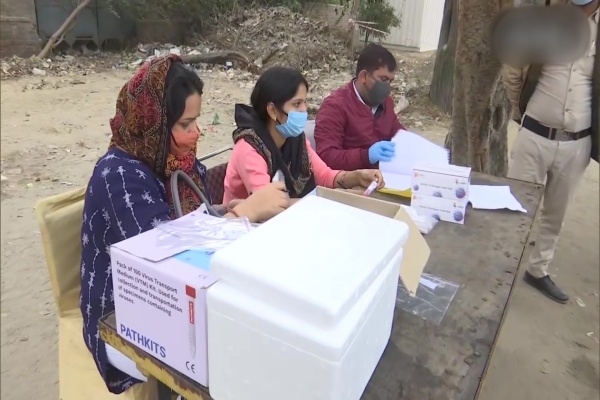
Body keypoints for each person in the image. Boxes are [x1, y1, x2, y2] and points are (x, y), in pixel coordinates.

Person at [79, 55, 289, 394]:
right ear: (153, 123)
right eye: (185, 125)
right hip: (121, 319)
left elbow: (189, 219)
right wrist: (241, 215)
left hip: (169, 302)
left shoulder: (174, 160)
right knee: (231, 361)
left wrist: (222, 212)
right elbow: (163, 260)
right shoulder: (119, 176)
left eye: (196, 121)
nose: (197, 132)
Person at [502, 0, 598, 304]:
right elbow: (513, 66)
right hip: (535, 134)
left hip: (578, 142)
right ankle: (501, 269)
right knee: (516, 207)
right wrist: (520, 111)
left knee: (557, 213)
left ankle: (538, 270)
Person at [222, 66, 384, 204]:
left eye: (305, 102)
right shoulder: (249, 148)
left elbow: (326, 176)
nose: (304, 110)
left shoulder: (295, 139)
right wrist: (332, 200)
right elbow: (268, 204)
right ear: (272, 110)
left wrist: (356, 177)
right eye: (297, 104)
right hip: (246, 230)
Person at [313, 43, 406, 171]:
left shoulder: (386, 103)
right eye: (383, 79)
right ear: (364, 76)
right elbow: (326, 157)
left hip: (384, 179)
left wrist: (408, 143)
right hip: (349, 184)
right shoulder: (335, 106)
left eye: (390, 81)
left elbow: (398, 133)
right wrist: (366, 156)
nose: (387, 87)